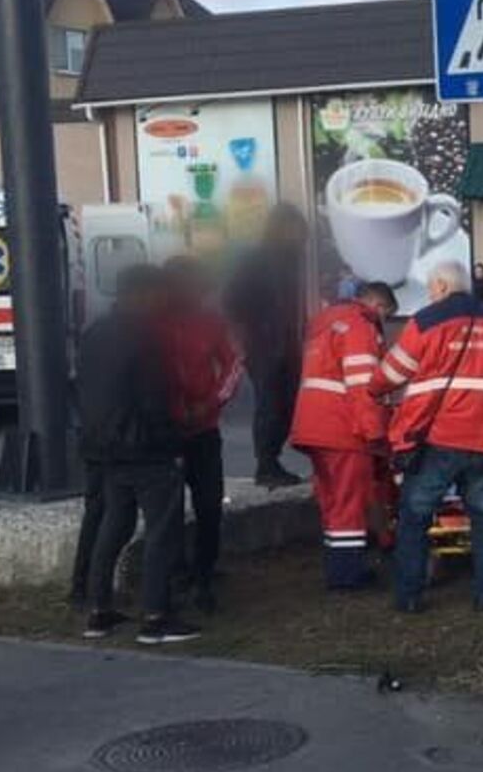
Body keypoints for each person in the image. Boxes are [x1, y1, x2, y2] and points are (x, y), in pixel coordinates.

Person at [373, 261, 483, 613]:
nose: (429, 294)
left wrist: (372, 389)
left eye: (431, 288)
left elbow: (390, 374)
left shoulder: (426, 322)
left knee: (415, 515)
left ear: (442, 286)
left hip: (440, 437)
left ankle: (410, 596)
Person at [76, 266, 199, 644]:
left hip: (105, 448)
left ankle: (98, 611)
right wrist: (172, 441)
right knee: (162, 531)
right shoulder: (145, 337)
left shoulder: (95, 333)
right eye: (158, 294)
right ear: (143, 295)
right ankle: (156, 616)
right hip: (145, 448)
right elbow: (153, 398)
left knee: (114, 527)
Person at [292, 282, 398, 590]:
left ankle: (339, 565)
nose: (383, 323)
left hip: (313, 426)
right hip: (341, 428)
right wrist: (376, 433)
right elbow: (362, 386)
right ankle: (348, 576)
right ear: (377, 305)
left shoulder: (323, 325)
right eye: (386, 315)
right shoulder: (359, 327)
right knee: (349, 501)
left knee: (332, 499)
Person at [160, 256, 242, 613]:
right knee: (167, 509)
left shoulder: (211, 322)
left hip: (204, 430)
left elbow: (235, 364)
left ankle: (204, 576)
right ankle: (176, 574)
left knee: (209, 506)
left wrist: (210, 404)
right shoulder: (152, 323)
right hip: (164, 432)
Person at [225, 205, 309, 487]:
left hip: (287, 344)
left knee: (287, 404)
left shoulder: (293, 261)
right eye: (295, 229)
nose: (299, 235)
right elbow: (233, 300)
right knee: (271, 404)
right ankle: (266, 463)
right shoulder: (258, 260)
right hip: (266, 344)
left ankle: (272, 458)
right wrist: (249, 335)